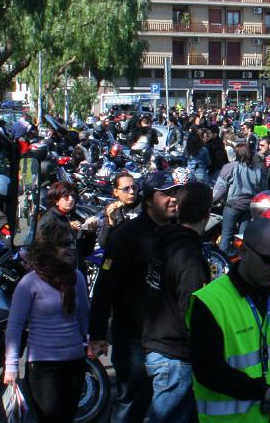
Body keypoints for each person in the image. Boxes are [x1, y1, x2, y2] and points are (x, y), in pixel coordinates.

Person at [187, 219, 270, 419]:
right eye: (269, 260)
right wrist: (265, 392)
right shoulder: (210, 301)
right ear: (243, 252)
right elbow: (207, 370)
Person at [88, 171, 179, 423]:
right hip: (133, 336)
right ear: (149, 199)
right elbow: (105, 287)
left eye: (175, 193)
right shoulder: (126, 236)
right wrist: (96, 332)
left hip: (171, 337)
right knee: (131, 401)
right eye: (166, 193)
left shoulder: (178, 234)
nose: (173, 199)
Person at [4, 219, 89, 423]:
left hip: (75, 362)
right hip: (44, 367)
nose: (71, 248)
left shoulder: (76, 277)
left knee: (67, 418)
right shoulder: (30, 283)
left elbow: (84, 316)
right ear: (49, 249)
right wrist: (11, 366)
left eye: (72, 243)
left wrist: (90, 342)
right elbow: (15, 326)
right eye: (65, 244)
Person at [142, 182, 213, 422]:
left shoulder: (164, 242)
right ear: (207, 213)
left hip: (158, 345)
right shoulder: (189, 256)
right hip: (174, 356)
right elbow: (192, 312)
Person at [213, 142, 267, 254]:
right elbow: (263, 190)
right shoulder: (258, 170)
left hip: (233, 205)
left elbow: (220, 189)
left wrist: (211, 201)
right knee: (243, 238)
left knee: (226, 235)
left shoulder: (230, 167)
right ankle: (242, 261)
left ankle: (223, 262)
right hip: (249, 207)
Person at [99, 171, 139, 249]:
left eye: (134, 187)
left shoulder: (146, 206)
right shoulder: (111, 209)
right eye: (126, 189)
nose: (132, 192)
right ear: (116, 192)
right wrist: (110, 221)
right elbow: (103, 244)